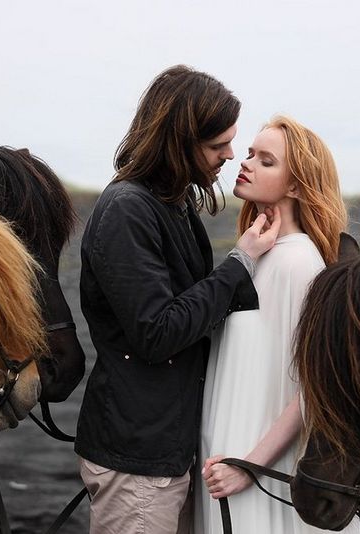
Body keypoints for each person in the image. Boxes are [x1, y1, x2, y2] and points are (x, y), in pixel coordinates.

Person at [75, 65, 281, 534]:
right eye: (216, 146)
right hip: (137, 458)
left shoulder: (172, 202)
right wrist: (240, 262)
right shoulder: (128, 209)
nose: (230, 155)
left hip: (168, 447)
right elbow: (156, 333)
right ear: (177, 140)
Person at [196, 116, 360, 533]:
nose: (246, 163)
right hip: (225, 464)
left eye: (265, 160)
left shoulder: (299, 261)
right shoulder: (255, 255)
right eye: (249, 154)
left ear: (295, 185)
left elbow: (315, 387)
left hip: (258, 472)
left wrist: (249, 467)